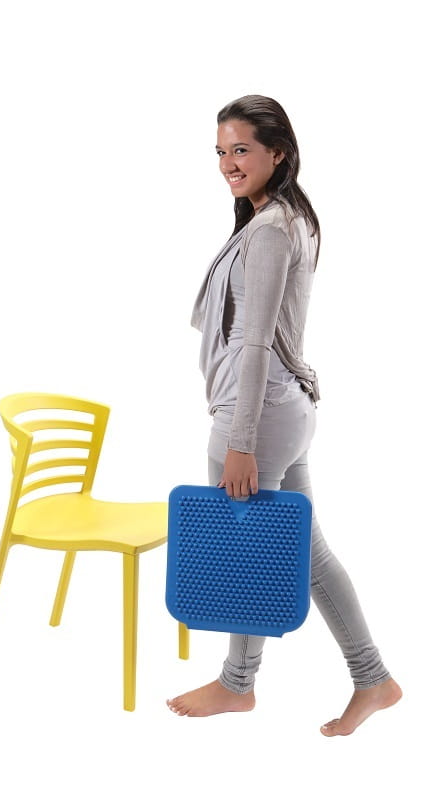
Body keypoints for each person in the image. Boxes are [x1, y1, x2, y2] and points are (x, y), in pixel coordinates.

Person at [166, 95, 402, 735]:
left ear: (279, 153)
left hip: (258, 418)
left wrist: (240, 440)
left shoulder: (271, 229)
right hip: (285, 410)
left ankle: (236, 684)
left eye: (241, 149)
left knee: (245, 550)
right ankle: (373, 678)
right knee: (309, 553)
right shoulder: (285, 216)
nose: (228, 163)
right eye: (221, 151)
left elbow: (255, 343)